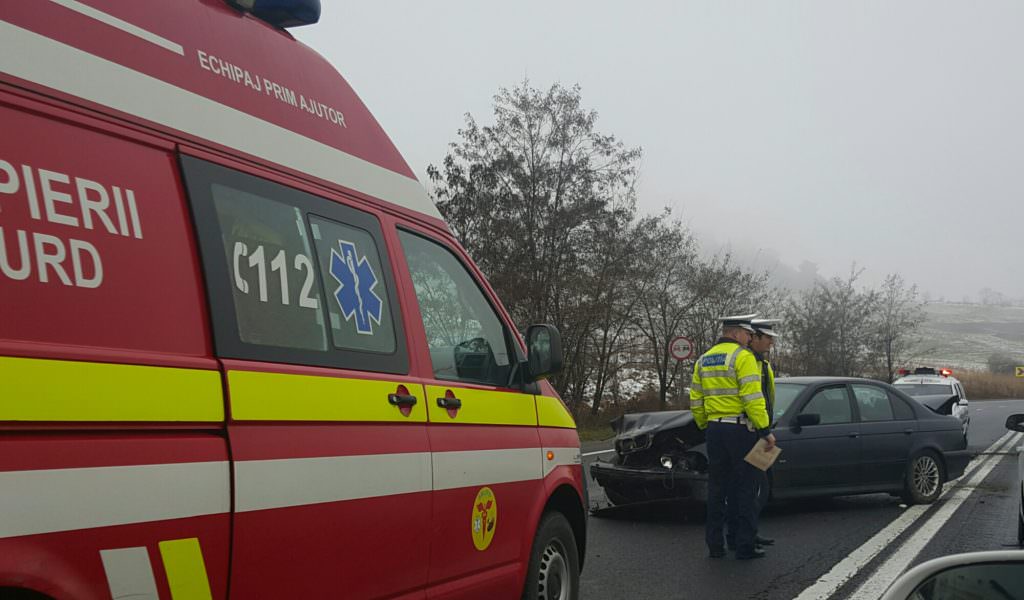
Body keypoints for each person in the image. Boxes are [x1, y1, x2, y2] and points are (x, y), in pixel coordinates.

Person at [691, 314, 776, 560]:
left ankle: (716, 545)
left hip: (715, 430)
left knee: (717, 489)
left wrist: (705, 424)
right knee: (746, 488)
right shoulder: (743, 357)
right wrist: (765, 430)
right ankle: (744, 545)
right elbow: (753, 398)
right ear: (737, 332)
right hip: (742, 430)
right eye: (747, 333)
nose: (749, 337)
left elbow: (696, 399)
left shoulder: (704, 359)